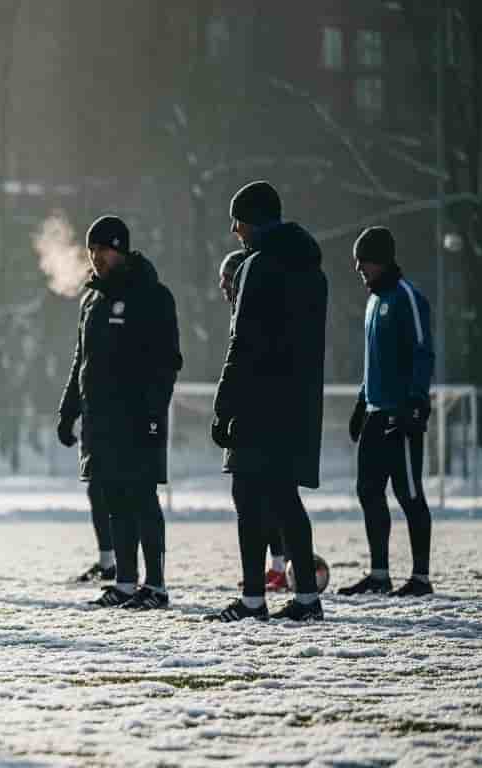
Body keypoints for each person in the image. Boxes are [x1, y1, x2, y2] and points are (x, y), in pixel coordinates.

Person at [207, 180, 327, 622]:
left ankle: (254, 599)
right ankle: (307, 599)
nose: (236, 232)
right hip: (296, 401)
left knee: (247, 494)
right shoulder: (310, 269)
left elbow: (243, 343)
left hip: (258, 401)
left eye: (238, 222)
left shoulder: (258, 266)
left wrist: (224, 405)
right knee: (284, 496)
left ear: (253, 220)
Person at [59, 216, 181, 610]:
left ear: (122, 250)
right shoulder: (91, 299)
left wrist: (152, 412)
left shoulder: (152, 294)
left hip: (137, 416)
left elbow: (167, 361)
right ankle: (125, 584)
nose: (96, 258)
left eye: (104, 250)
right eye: (91, 250)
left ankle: (156, 587)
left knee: (142, 497)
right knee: (114, 499)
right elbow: (82, 359)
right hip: (100, 419)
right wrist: (69, 409)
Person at [338, 226, 435, 598]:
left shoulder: (407, 297)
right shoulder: (373, 302)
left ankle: (421, 578)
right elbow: (373, 361)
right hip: (377, 411)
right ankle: (379, 574)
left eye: (364, 260)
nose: (359, 267)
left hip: (402, 412)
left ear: (381, 259)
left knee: (409, 493)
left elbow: (423, 351)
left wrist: (416, 401)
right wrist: (362, 402)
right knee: (368, 489)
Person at [220, 249, 289, 594]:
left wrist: (228, 403)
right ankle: (276, 568)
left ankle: (283, 568)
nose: (222, 286)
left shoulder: (254, 314)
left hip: (259, 417)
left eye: (226, 279)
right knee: (256, 498)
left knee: (266, 499)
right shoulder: (239, 313)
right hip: (248, 414)